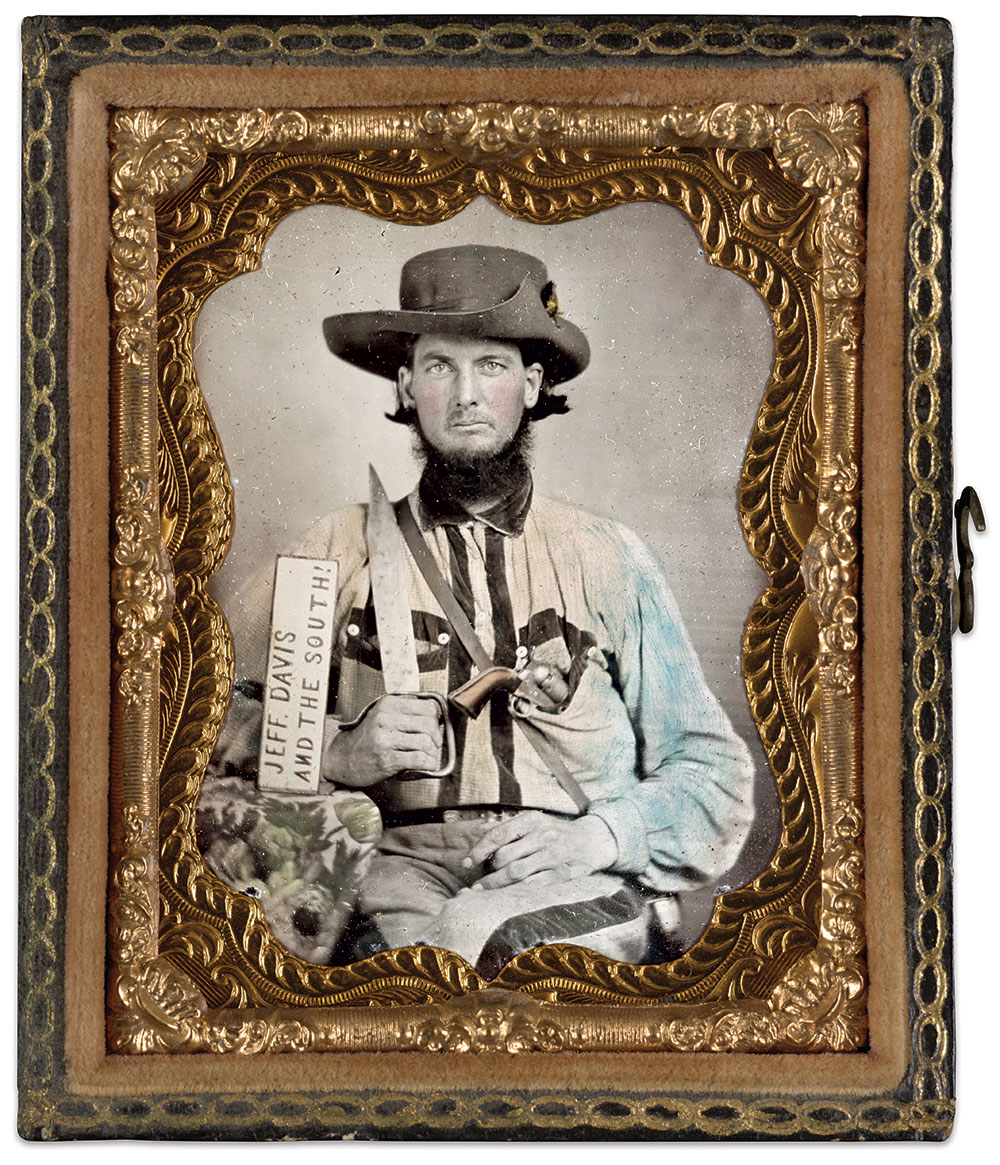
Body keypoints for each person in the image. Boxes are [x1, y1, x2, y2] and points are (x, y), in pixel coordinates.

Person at [208, 244, 755, 975]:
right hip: (394, 870)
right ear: (406, 384)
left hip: (574, 865)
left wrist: (602, 835)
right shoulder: (329, 554)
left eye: (490, 365)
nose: (465, 393)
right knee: (398, 981)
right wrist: (339, 749)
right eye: (440, 365)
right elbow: (193, 721)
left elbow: (713, 771)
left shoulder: (607, 556)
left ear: (531, 383)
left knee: (473, 941)